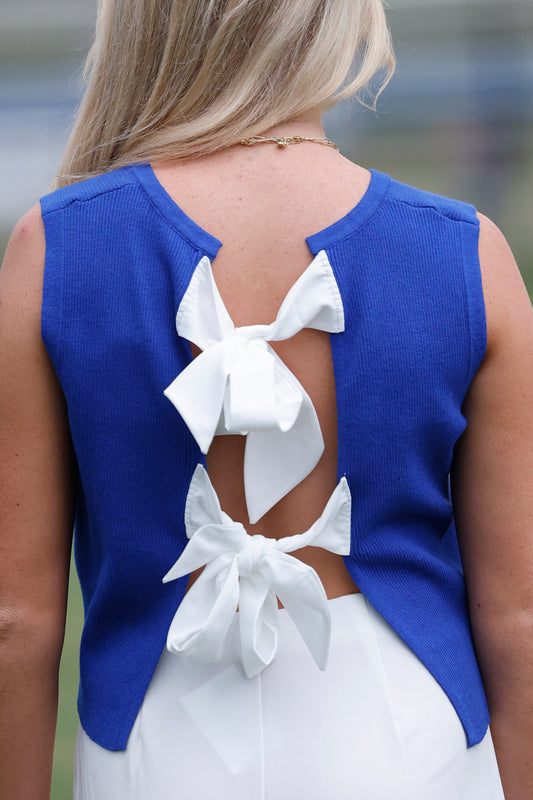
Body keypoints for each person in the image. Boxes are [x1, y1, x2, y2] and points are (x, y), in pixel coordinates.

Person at [1, 0, 532, 797]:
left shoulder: (57, 247)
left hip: (153, 741)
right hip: (408, 738)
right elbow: (518, 620)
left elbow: (18, 622)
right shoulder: (465, 254)